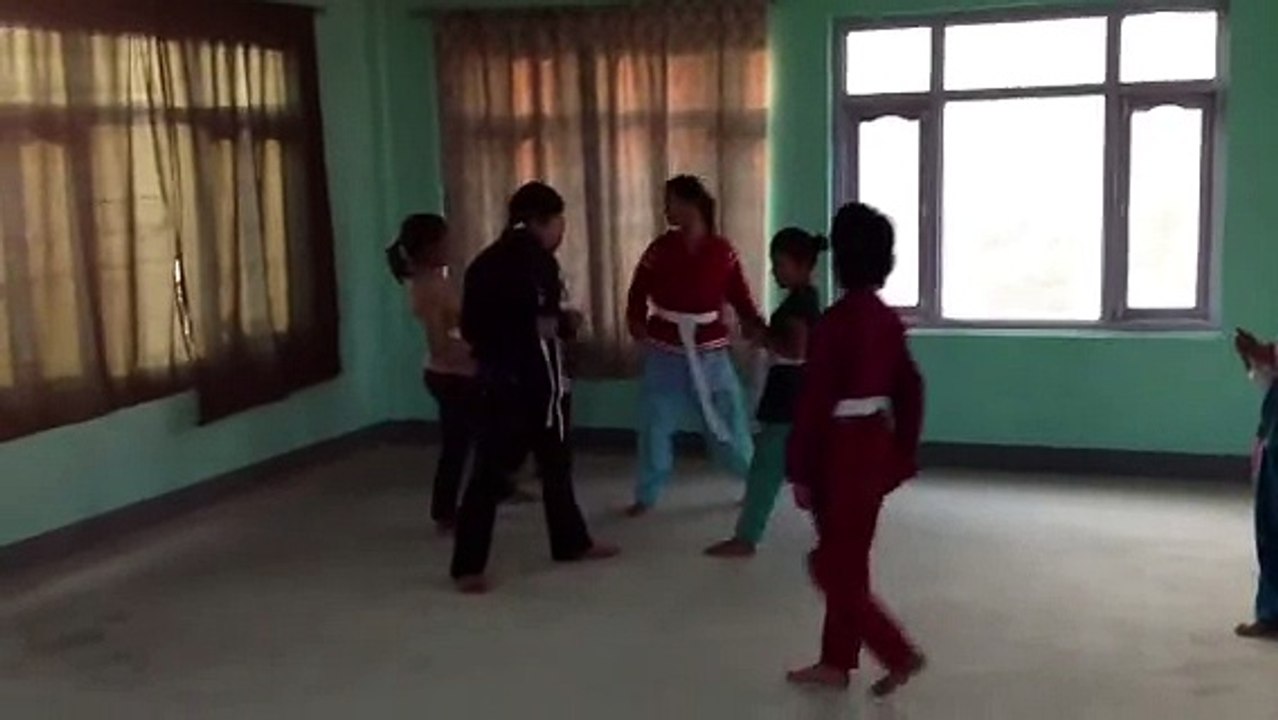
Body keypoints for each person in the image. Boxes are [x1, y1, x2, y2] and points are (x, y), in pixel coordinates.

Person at [784, 203, 926, 697]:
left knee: (828, 566)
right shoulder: (886, 320)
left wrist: (799, 470)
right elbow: (911, 387)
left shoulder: (835, 324)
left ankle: (898, 652)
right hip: (874, 444)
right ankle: (835, 662)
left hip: (838, 454)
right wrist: (903, 452)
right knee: (851, 561)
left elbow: (814, 402)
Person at [450, 182, 618, 593]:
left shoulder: (482, 263)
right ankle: (567, 543)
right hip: (536, 382)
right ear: (544, 221)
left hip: (494, 377)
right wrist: (567, 322)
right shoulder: (536, 262)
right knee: (546, 465)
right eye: (560, 223)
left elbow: (470, 328)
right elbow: (540, 324)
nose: (561, 232)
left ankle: (472, 565)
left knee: (499, 471)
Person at [625, 175, 767, 516]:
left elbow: (739, 295)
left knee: (729, 417)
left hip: (710, 348)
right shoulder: (659, 249)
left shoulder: (722, 251)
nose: (666, 210)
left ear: (690, 205)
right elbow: (638, 290)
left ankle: (751, 479)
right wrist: (636, 320)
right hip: (665, 347)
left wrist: (755, 325)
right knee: (655, 421)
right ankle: (647, 492)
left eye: (671, 202)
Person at [386, 215, 534, 536]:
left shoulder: (438, 279)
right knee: (460, 443)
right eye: (444, 242)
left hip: (463, 372)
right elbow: (440, 346)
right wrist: (482, 351)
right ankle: (446, 512)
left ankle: (498, 486)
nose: (449, 247)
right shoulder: (428, 288)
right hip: (452, 377)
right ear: (428, 248)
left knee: (493, 432)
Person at [705, 228, 827, 557]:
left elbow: (796, 350)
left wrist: (762, 335)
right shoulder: (802, 300)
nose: (776, 271)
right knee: (793, 470)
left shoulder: (801, 304)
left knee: (767, 469)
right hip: (795, 395)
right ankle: (831, 537)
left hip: (789, 397)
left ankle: (747, 538)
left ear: (803, 266)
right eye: (774, 264)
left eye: (781, 264)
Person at [1233, 327, 1278, 639]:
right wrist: (1251, 356)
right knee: (1271, 529)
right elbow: (1266, 378)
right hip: (1274, 444)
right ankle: (1271, 613)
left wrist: (1262, 354)